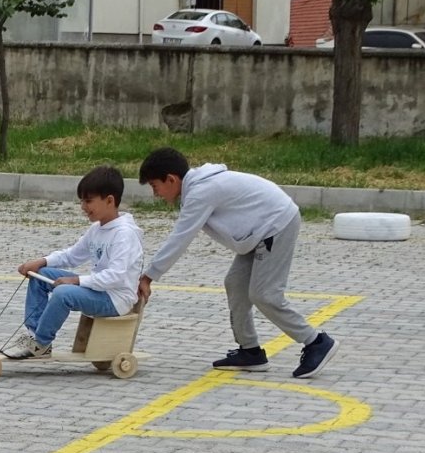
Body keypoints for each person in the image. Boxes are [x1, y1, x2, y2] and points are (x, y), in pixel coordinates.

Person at [136, 147, 339, 379]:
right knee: (235, 284)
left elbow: (180, 238)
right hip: (257, 232)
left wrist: (149, 276)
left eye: (155, 186)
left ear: (171, 179)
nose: (156, 194)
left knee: (264, 294)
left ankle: (316, 342)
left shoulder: (201, 192)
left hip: (276, 224)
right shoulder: (197, 189)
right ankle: (250, 351)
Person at [0, 166, 144, 359]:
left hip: (115, 299)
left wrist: (76, 281)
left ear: (110, 200)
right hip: (98, 289)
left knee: (63, 293)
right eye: (82, 201)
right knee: (41, 274)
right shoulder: (97, 229)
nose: (83, 207)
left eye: (88, 201)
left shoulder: (124, 234)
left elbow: (115, 277)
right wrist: (41, 261)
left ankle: (41, 343)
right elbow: (71, 256)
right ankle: (34, 335)